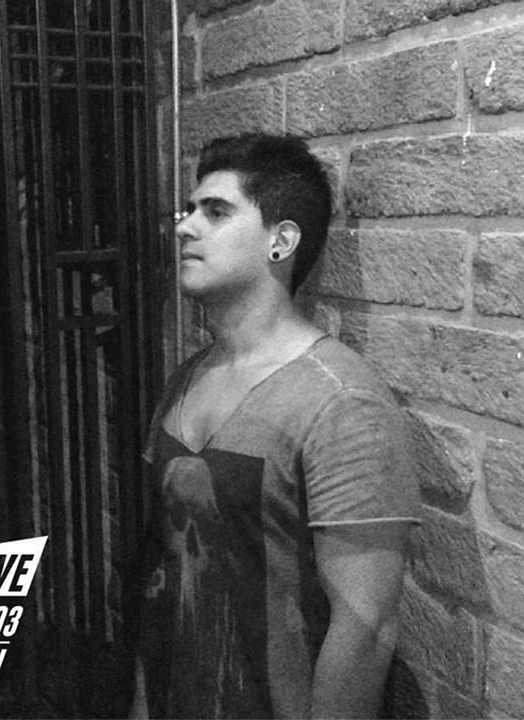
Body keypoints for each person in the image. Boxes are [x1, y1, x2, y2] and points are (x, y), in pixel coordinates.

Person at [130, 133, 420, 719]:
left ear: (281, 241)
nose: (186, 227)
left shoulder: (341, 402)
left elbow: (365, 629)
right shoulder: (186, 378)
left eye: (216, 212)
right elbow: (162, 573)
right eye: (188, 210)